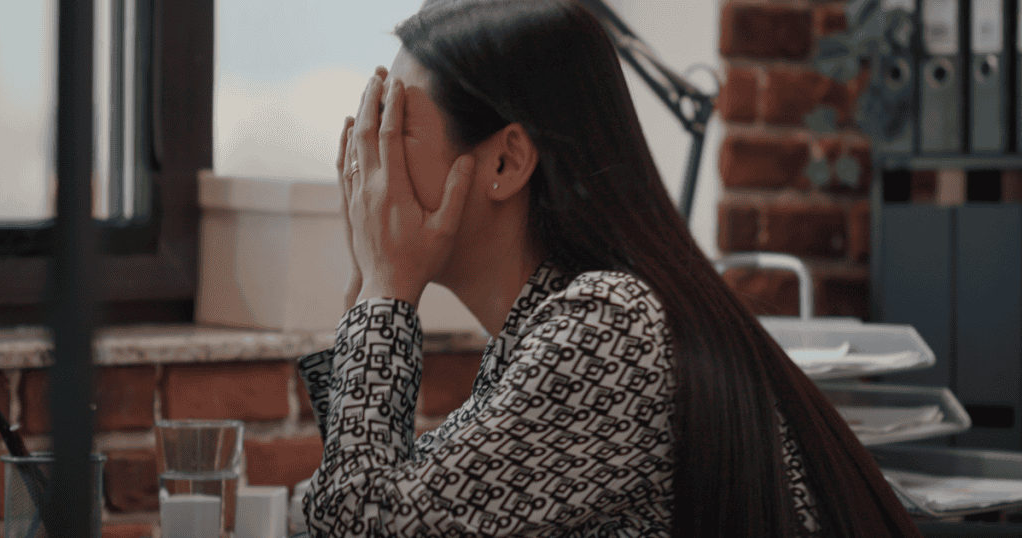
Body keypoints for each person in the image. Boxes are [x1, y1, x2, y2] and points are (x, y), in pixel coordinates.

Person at [297, 0, 922, 536]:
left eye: (392, 126)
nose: (362, 162)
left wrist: (384, 291)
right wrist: (368, 287)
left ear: (505, 163)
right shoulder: (548, 328)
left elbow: (360, 521)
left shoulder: (612, 327)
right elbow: (378, 493)